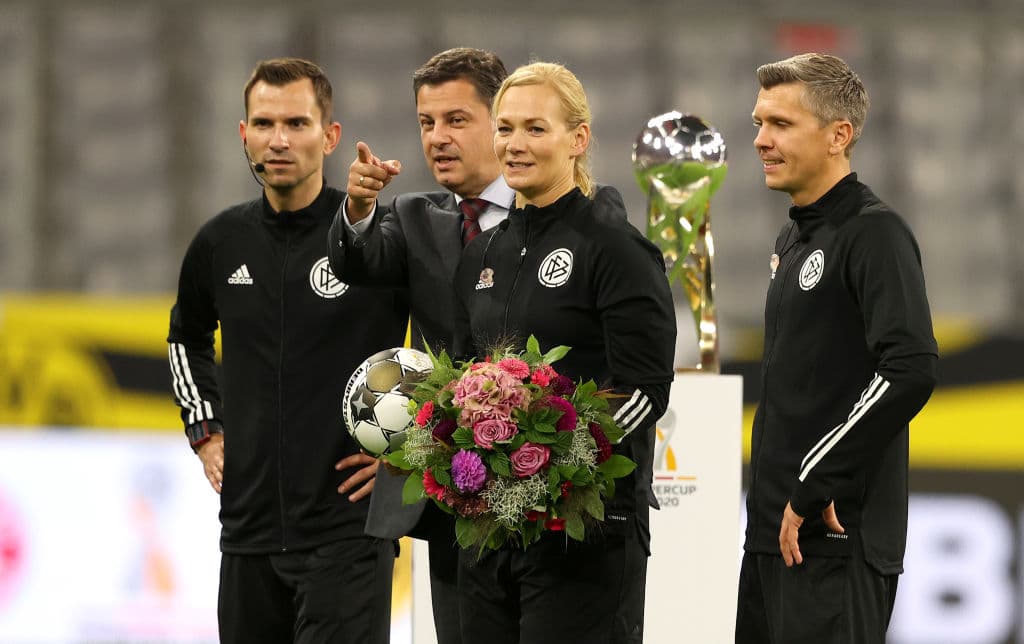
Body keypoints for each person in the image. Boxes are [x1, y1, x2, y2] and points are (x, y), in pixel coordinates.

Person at [167, 57, 408, 644]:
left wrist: (410, 455)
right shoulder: (219, 243)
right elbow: (185, 338)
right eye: (265, 123)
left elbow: (446, 345)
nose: (279, 140)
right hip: (247, 536)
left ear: (330, 137)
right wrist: (206, 430)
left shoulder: (377, 241)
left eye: (297, 124)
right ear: (242, 132)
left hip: (348, 533)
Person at [450, 61, 677, 644]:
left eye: (534, 128)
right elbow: (460, 379)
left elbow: (644, 391)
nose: (514, 145)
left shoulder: (617, 250)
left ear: (577, 140)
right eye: (505, 128)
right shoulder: (481, 254)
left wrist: (551, 458)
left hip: (586, 529)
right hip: (491, 530)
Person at [737, 53, 938, 643]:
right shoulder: (795, 233)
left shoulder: (874, 233)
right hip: (774, 533)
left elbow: (910, 367)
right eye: (758, 123)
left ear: (838, 136)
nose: (760, 140)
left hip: (832, 535)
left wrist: (818, 476)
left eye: (780, 124)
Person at [326, 47, 512, 644]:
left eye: (456, 120)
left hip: (539, 482)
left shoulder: (555, 217)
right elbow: (356, 259)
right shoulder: (414, 216)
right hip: (453, 494)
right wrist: (357, 209)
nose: (438, 137)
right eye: (427, 123)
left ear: (500, 118)